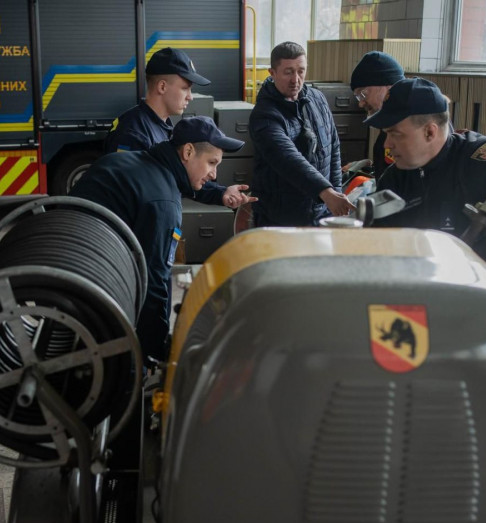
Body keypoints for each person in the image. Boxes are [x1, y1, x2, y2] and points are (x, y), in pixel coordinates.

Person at [71, 116, 250, 360]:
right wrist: (155, 350)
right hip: (91, 292)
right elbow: (154, 280)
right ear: (188, 152)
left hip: (68, 271)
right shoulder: (162, 201)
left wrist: (219, 194)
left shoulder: (133, 162)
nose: (214, 174)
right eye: (211, 163)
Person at [367, 77, 486, 235]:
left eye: (395, 134)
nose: (387, 144)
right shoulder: (394, 180)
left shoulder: (477, 158)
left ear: (430, 132)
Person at [104, 47, 251, 209]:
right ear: (162, 86)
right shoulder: (134, 133)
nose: (190, 96)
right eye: (185, 88)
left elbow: (181, 176)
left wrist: (221, 193)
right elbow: (127, 199)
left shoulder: (160, 125)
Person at [248, 41, 352, 227]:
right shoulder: (264, 115)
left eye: (301, 71)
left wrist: (335, 193)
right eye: (288, 72)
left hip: (321, 211)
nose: (295, 79)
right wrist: (327, 193)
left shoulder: (317, 99)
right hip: (281, 217)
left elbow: (333, 147)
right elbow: (288, 159)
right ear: (272, 73)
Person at [349, 51, 406, 176]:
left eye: (363, 94)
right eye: (358, 97)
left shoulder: (410, 125)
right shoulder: (390, 123)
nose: (361, 103)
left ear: (388, 86)